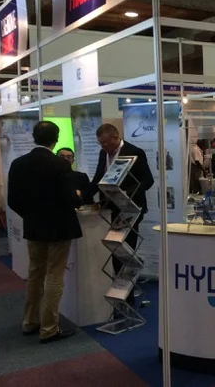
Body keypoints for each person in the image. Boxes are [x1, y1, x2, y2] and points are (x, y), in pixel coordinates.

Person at [7, 121, 82, 343]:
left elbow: (12, 200)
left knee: (35, 273)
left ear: (34, 137)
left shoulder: (18, 163)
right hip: (60, 228)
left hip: (34, 228)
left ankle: (30, 321)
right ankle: (49, 328)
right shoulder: (60, 165)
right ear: (55, 139)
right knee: (54, 276)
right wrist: (78, 197)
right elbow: (70, 198)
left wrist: (31, 216)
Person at [86, 124, 154, 307]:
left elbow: (147, 181)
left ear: (116, 138)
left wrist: (124, 193)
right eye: (100, 143)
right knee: (115, 251)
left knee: (126, 253)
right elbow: (99, 178)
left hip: (131, 209)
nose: (103, 147)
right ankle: (118, 293)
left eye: (106, 143)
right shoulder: (103, 154)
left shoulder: (135, 152)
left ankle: (127, 298)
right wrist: (84, 197)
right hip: (110, 209)